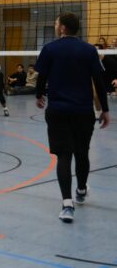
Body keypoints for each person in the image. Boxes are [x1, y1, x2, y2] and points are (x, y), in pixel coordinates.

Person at [35, 13, 109, 223]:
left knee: (64, 156)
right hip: (83, 111)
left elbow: (41, 77)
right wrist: (104, 109)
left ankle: (67, 204)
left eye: (56, 23)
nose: (55, 25)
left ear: (62, 28)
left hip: (58, 111)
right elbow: (99, 81)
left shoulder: (49, 49)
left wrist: (39, 95)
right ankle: (81, 190)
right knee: (82, 153)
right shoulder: (89, 50)